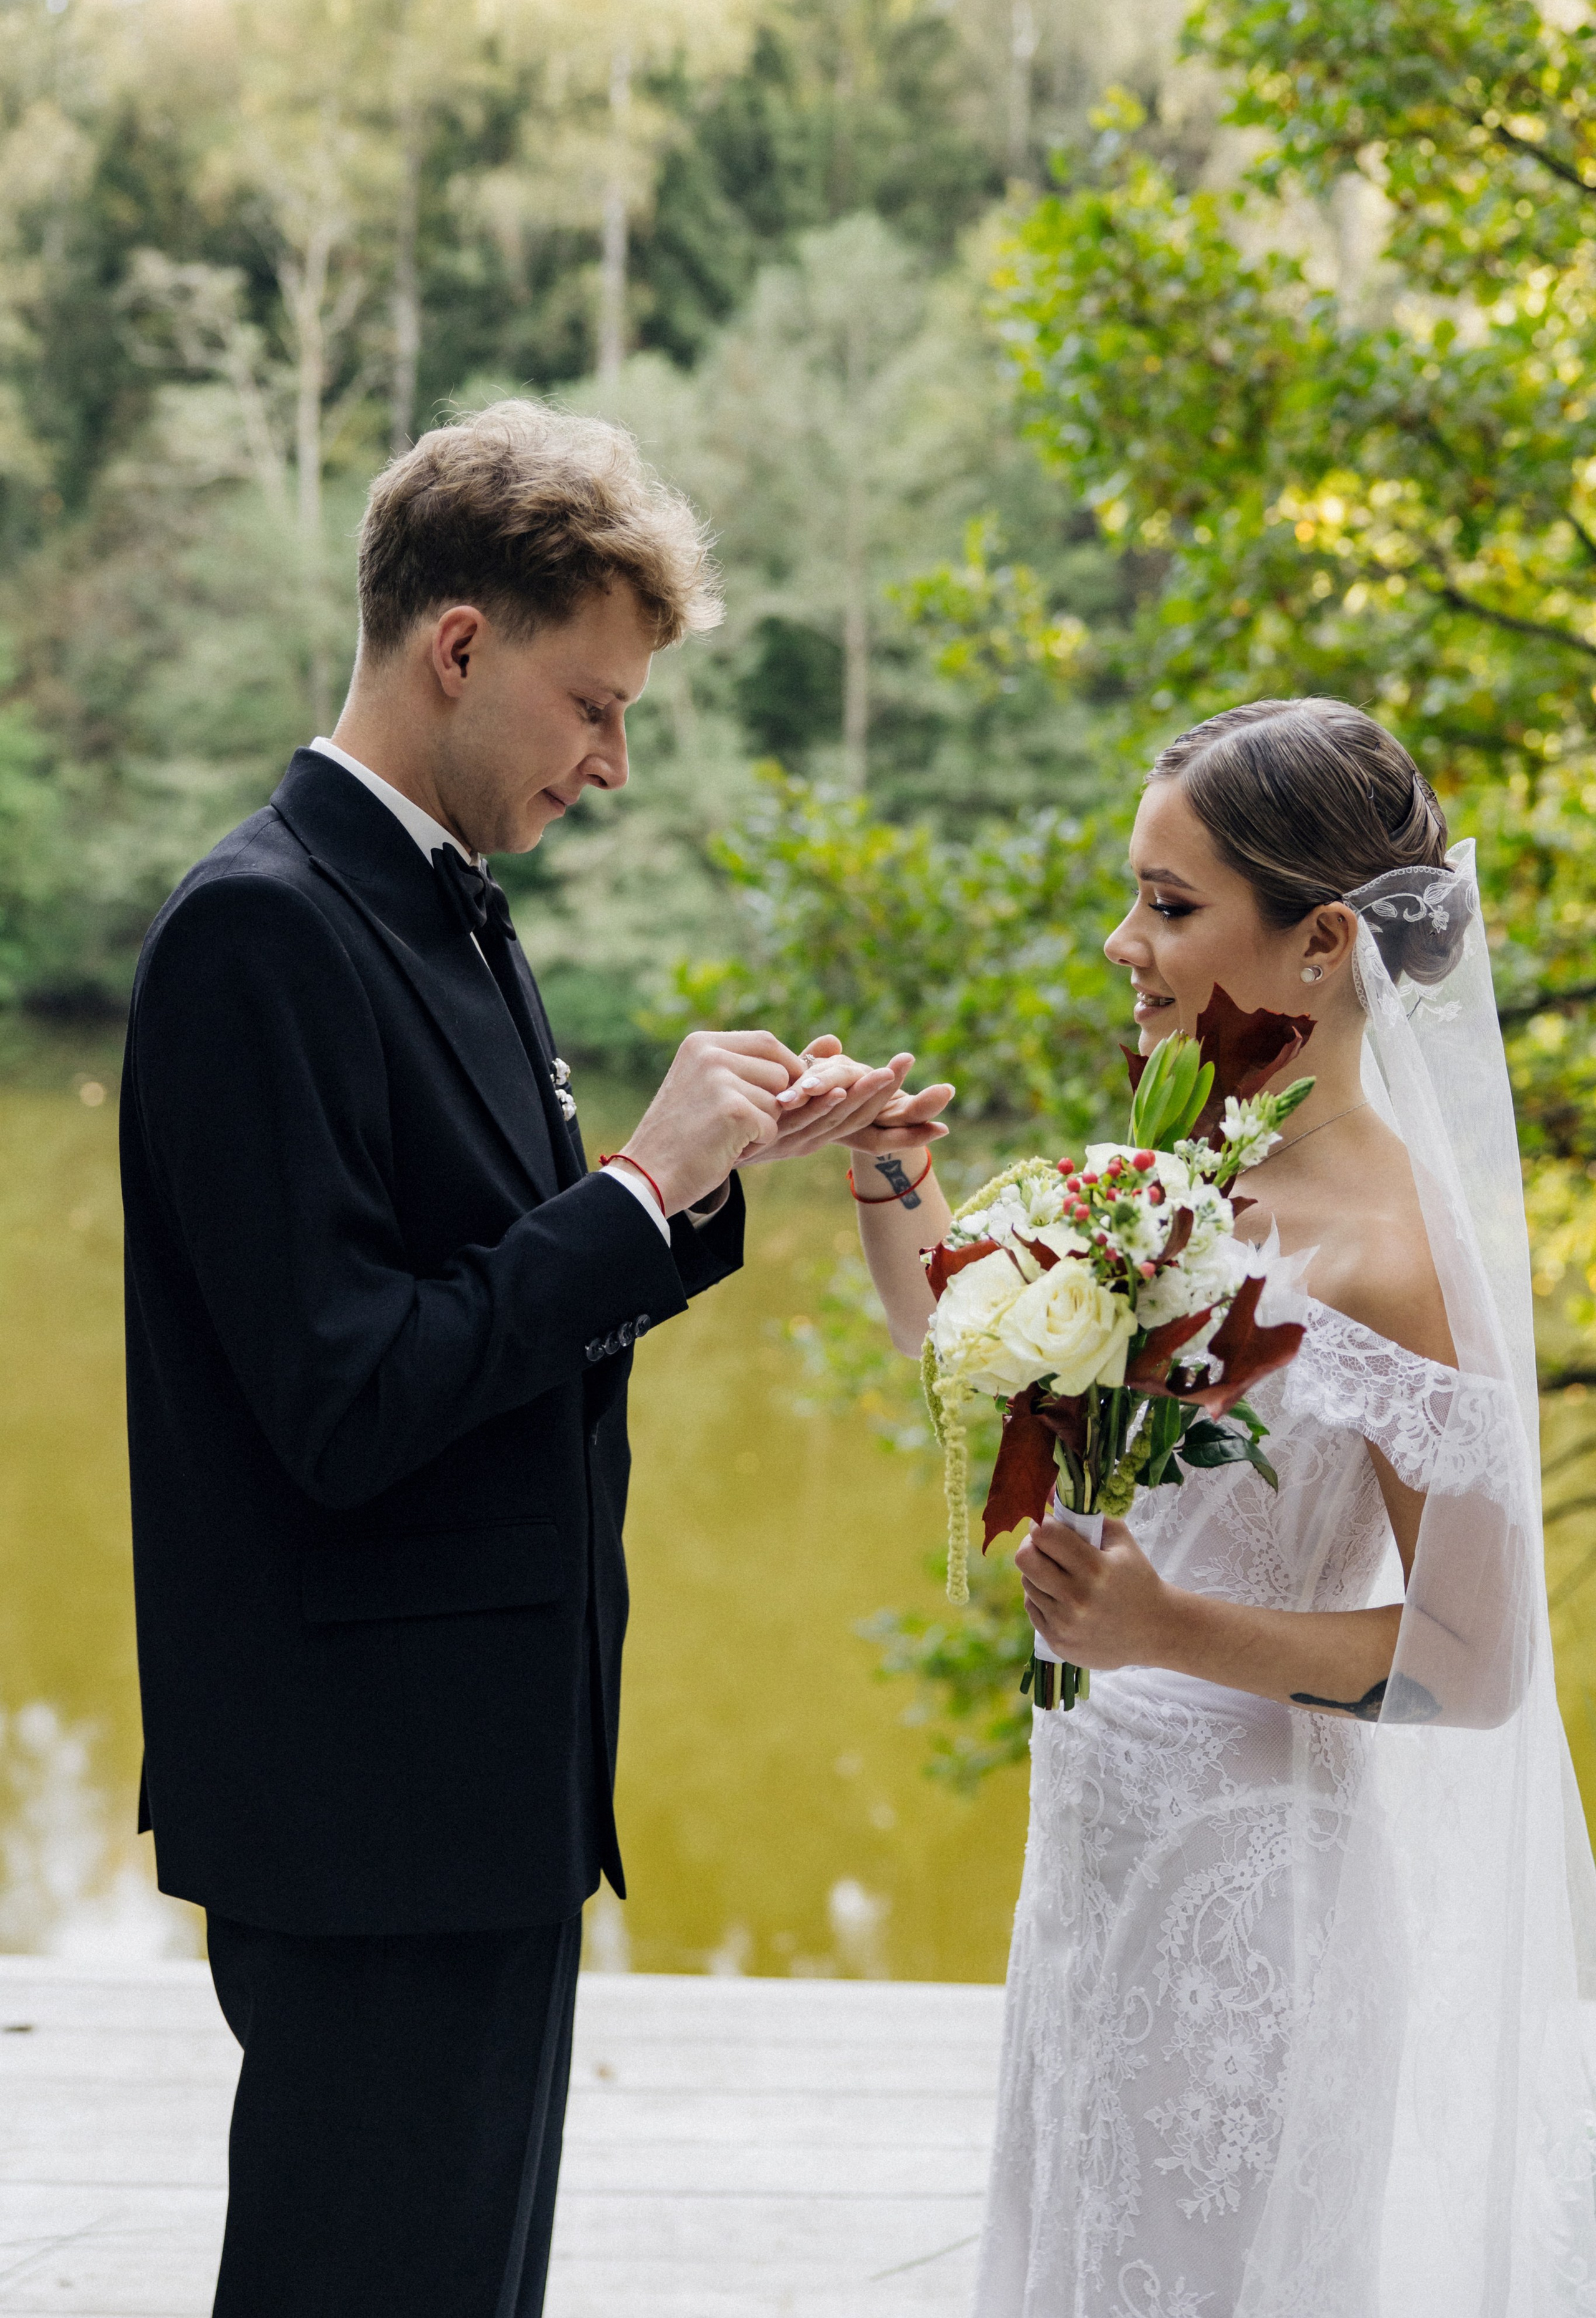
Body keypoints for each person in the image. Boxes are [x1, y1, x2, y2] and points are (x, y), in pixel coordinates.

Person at [118, 398, 952, 2318]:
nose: (614, 763)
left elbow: (492, 1290)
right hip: (363, 1807)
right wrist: (637, 1185)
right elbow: (347, 1401)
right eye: (593, 705)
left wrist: (704, 1186)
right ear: (458, 646)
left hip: (485, 1791)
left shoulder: (448, 910)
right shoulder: (259, 933)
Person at [855, 699, 1596, 2315]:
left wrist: (1166, 1626)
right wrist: (888, 1168)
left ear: (1323, 944)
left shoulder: (1396, 1262)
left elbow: (1479, 1667)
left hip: (1252, 1916)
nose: (1123, 943)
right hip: (1096, 1855)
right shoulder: (1185, 1167)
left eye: (1170, 904)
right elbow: (964, 1343)